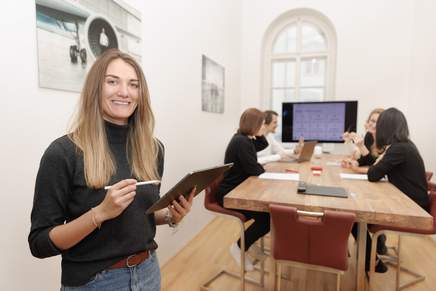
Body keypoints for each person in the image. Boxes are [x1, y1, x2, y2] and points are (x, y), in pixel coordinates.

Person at [28, 49, 194, 291]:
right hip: (94, 282)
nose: (124, 92)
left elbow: (139, 215)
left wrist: (170, 215)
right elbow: (39, 243)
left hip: (148, 272)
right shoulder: (62, 153)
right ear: (96, 88)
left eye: (133, 84)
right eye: (112, 82)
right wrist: (99, 213)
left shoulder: (153, 149)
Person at [344, 107, 430, 273]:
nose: (377, 128)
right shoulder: (403, 145)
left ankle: (373, 262)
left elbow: (374, 173)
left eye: (380, 124)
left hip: (413, 208)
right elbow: (372, 163)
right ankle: (374, 253)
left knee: (353, 217)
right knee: (357, 214)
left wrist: (367, 163)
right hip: (408, 201)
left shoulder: (399, 149)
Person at [216, 108, 270, 271]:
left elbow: (263, 144)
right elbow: (254, 169)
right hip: (230, 195)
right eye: (261, 124)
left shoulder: (244, 138)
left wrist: (259, 133)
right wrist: (262, 169)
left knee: (266, 216)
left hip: (239, 190)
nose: (263, 127)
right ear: (254, 124)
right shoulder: (241, 142)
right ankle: (239, 247)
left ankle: (247, 243)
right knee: (267, 218)